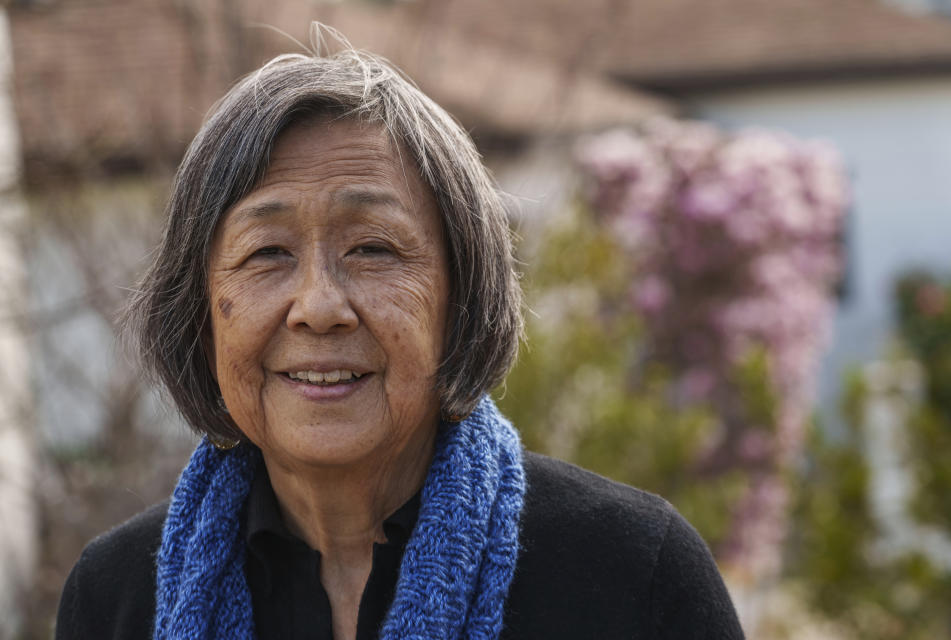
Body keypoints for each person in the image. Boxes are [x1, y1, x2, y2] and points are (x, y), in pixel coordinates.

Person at [55, 37, 745, 640]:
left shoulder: (630, 572)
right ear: (200, 308)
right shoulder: (118, 598)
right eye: (267, 252)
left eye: (374, 249)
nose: (319, 307)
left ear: (460, 295)